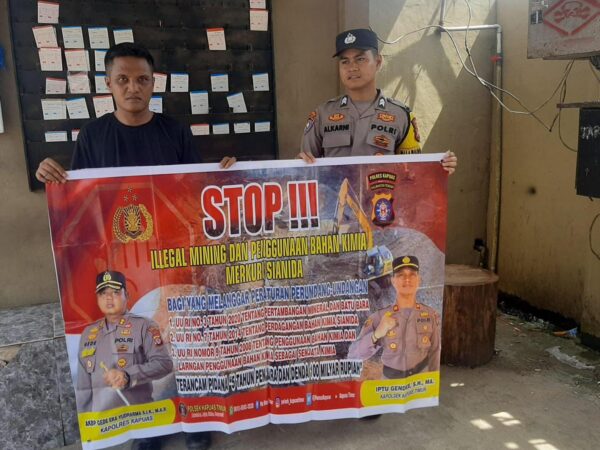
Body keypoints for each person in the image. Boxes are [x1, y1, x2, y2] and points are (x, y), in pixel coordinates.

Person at [36, 43, 213, 450]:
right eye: (123, 79)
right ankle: (148, 427)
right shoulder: (94, 135)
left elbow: (196, 187)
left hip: (172, 256)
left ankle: (196, 420)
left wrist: (223, 173)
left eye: (142, 79)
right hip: (121, 262)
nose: (133, 87)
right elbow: (79, 198)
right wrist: (51, 173)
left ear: (153, 83)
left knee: (184, 337)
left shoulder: (175, 132)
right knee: (133, 345)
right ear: (109, 84)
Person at [297, 28, 457, 174]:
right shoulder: (322, 115)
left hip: (383, 197)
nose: (352, 67)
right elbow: (305, 171)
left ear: (378, 62)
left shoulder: (401, 116)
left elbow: (413, 173)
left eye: (360, 59)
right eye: (345, 61)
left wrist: (439, 168)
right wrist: (299, 165)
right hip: (336, 196)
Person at [77, 270, 173, 412]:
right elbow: (83, 390)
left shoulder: (144, 326)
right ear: (97, 298)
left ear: (126, 295)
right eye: (103, 293)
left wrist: (128, 376)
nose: (109, 298)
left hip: (141, 417)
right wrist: (84, 420)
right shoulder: (88, 334)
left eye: (115, 292)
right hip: (104, 422)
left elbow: (164, 364)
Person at [348, 255, 441, 378]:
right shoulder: (380, 317)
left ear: (419, 280)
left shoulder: (430, 314)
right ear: (393, 281)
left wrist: (433, 379)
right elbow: (353, 355)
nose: (407, 279)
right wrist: (376, 334)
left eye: (412, 275)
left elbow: (435, 350)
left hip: (421, 380)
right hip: (390, 382)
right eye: (401, 275)